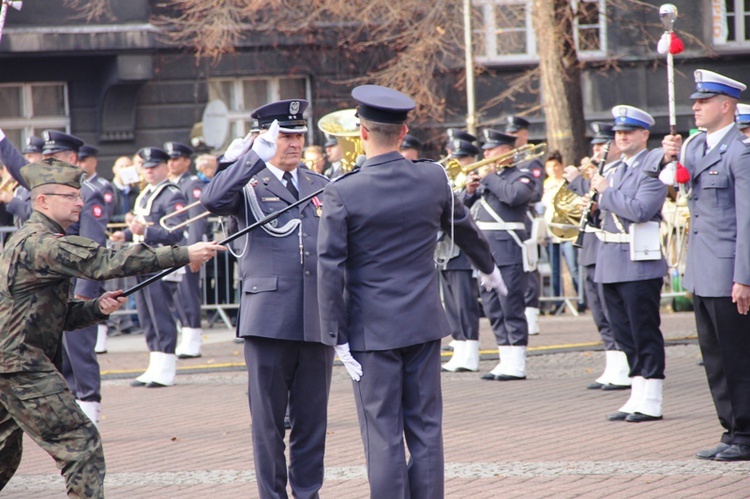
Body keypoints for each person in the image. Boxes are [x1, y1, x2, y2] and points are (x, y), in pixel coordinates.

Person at [317, 84, 501, 499]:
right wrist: (488, 267)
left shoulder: (343, 190)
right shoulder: (433, 177)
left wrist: (335, 336)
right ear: (403, 134)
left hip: (370, 332)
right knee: (426, 430)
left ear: (361, 131)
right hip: (422, 323)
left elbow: (329, 270)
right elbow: (465, 227)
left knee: (382, 433)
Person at [0, 157, 223, 497]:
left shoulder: (33, 240)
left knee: (4, 454)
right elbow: (105, 261)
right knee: (81, 445)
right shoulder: (40, 242)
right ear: (42, 201)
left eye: (79, 194)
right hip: (20, 365)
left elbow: (45, 314)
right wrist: (183, 254)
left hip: (12, 361)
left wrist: (95, 308)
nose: (80, 202)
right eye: (71, 196)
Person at [202, 99, 334, 499]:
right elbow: (212, 199)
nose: (293, 144)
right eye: (284, 136)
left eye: (297, 136)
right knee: (268, 424)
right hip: (268, 317)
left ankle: (307, 493)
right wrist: (249, 158)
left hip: (316, 317)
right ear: (263, 138)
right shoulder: (248, 183)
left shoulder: (320, 184)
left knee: (312, 421)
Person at [661, 70, 750, 460]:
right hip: (701, 271)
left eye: (704, 101)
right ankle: (730, 430)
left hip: (729, 272)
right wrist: (669, 153)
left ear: (726, 106)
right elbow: (671, 176)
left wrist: (744, 277)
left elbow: (747, 220)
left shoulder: (741, 152)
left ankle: (746, 434)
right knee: (715, 359)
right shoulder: (696, 148)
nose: (695, 107)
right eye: (695, 101)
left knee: (738, 359)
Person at [590, 105, 668, 423]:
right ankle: (636, 394)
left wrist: (605, 194)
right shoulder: (616, 170)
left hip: (638, 262)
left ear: (644, 135)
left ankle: (652, 397)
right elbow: (611, 212)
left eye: (628, 132)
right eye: (618, 133)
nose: (621, 137)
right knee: (623, 333)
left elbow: (640, 211)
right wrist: (594, 206)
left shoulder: (652, 169)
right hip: (610, 260)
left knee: (643, 330)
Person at [111, 147, 189, 388]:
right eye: (146, 167)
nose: (149, 171)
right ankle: (155, 364)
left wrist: (146, 230)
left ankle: (166, 366)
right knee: (147, 316)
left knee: (161, 315)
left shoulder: (171, 194)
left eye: (154, 167)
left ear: (165, 167)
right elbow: (141, 224)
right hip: (143, 262)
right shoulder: (145, 193)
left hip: (161, 262)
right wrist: (125, 234)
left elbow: (176, 232)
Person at [564, 122, 630, 390]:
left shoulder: (618, 173)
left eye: (602, 145)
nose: (596, 150)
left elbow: (616, 205)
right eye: (594, 145)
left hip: (609, 248)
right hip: (592, 249)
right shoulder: (598, 174)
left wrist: (579, 183)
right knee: (600, 314)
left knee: (615, 313)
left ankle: (625, 367)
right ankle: (612, 366)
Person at [466, 128, 535, 381]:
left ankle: (517, 363)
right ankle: (504, 359)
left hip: (508, 250)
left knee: (511, 306)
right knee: (493, 308)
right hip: (485, 252)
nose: (485, 153)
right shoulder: (488, 179)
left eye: (490, 149)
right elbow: (463, 208)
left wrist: (490, 177)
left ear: (506, 151)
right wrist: (471, 191)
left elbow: (514, 197)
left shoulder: (522, 176)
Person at [439, 138, 483, 372]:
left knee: (465, 304)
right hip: (445, 249)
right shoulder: (449, 177)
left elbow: (464, 210)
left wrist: (467, 190)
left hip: (463, 250)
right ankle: (460, 350)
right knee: (452, 304)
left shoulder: (477, 180)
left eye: (461, 158)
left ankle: (471, 352)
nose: (457, 162)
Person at [165, 141, 208, 359]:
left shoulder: (192, 184)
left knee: (187, 292)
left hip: (186, 246)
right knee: (177, 294)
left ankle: (193, 338)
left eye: (176, 159)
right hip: (173, 247)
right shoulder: (171, 183)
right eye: (169, 159)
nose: (171, 163)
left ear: (186, 161)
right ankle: (186, 334)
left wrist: (192, 249)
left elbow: (196, 219)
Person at [505, 115, 545, 334]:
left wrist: (513, 193)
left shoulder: (531, 161)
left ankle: (531, 314)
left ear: (524, 135)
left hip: (525, 217)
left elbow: (537, 191)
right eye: (509, 133)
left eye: (515, 133)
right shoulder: (508, 160)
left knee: (528, 266)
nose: (511, 137)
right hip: (508, 217)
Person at [542, 150, 581, 311]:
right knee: (555, 270)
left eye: (556, 165)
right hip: (551, 233)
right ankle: (557, 303)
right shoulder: (544, 185)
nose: (553, 169)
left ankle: (581, 300)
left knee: (573, 267)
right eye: (549, 166)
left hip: (568, 231)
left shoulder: (567, 183)